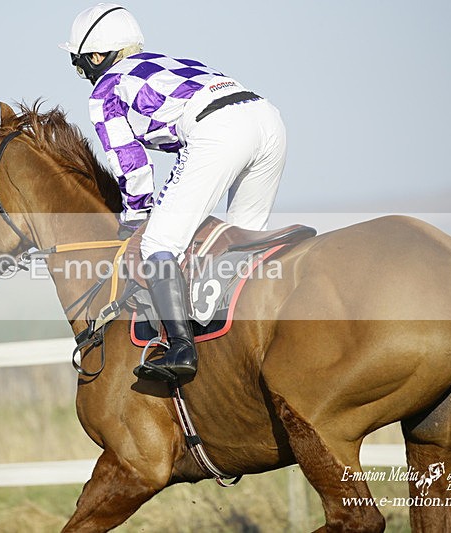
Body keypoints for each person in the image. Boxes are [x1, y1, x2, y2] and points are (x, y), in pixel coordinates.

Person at [60, 3, 287, 382]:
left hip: (217, 130)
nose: (83, 74)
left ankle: (182, 349)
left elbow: (131, 163)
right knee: (244, 241)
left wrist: (136, 218)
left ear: (97, 56)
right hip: (268, 119)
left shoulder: (105, 91)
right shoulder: (168, 61)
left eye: (81, 64)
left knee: (156, 242)